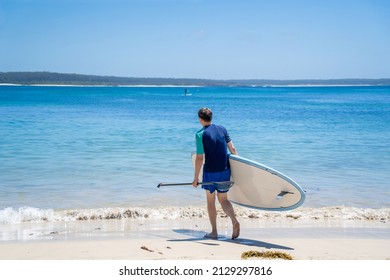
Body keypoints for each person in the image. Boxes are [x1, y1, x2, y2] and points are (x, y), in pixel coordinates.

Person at [192, 107, 240, 239]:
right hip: (225, 170)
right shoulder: (223, 129)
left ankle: (214, 232)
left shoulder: (200, 134)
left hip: (210, 172)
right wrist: (240, 169)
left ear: (200, 119)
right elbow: (233, 149)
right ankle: (234, 222)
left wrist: (195, 177)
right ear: (211, 117)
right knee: (223, 200)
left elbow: (200, 157)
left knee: (210, 202)